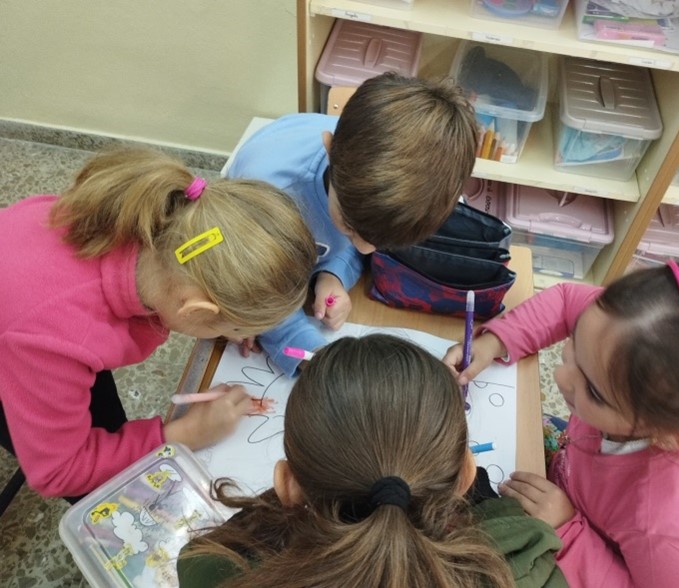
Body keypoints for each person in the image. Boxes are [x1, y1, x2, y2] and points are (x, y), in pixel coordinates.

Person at [0, 147, 317, 500]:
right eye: (238, 328)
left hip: (28, 318)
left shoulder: (150, 222)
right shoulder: (56, 338)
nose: (241, 335)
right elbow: (60, 472)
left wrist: (232, 319)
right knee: (103, 489)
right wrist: (186, 434)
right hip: (21, 340)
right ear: (195, 311)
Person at [443, 260, 679, 587]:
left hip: (585, 547)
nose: (561, 375)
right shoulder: (632, 328)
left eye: (593, 390)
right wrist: (496, 341)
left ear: (671, 436)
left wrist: (569, 530)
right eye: (575, 342)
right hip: (574, 471)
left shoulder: (671, 530)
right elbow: (566, 302)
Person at [176, 334, 568, 588]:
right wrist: (498, 511)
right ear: (466, 476)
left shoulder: (219, 569)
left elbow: (204, 561)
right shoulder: (524, 568)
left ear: (287, 484)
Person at [227, 71, 478, 376]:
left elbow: (355, 240)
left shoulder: (367, 179)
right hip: (241, 247)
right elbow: (256, 290)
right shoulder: (270, 194)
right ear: (329, 148)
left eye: (381, 242)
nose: (366, 248)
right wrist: (314, 356)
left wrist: (334, 272)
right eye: (350, 226)